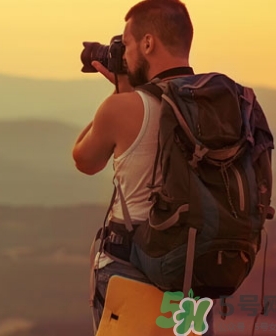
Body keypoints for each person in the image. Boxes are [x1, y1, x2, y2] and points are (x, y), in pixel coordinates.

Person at [72, 0, 215, 334]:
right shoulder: (217, 106)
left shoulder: (124, 107)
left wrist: (120, 92)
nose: (123, 55)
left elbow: (84, 160)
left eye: (127, 43)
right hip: (197, 270)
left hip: (132, 268)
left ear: (148, 43)